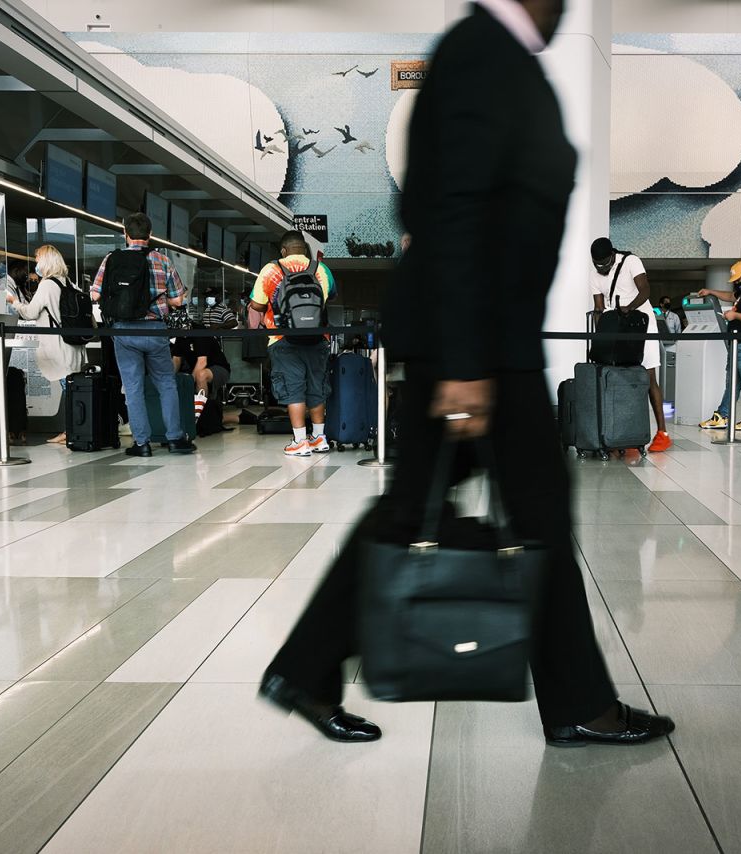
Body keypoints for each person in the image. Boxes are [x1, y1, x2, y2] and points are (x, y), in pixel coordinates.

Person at [258, 0, 675, 748]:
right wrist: (462, 366)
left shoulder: (489, 54)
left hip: (482, 343)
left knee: (437, 510)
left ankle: (307, 668)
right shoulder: (484, 51)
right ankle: (577, 703)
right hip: (479, 350)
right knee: (528, 515)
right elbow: (449, 209)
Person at [90, 212, 196, 457]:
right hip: (155, 330)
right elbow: (179, 299)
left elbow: (95, 294)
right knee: (166, 384)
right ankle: (175, 439)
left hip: (125, 331)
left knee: (133, 387)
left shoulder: (111, 259)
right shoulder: (162, 260)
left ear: (126, 234)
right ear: (150, 235)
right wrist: (162, 299)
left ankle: (142, 443)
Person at [247, 230, 333, 457]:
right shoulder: (321, 269)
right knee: (316, 386)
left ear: (283, 251)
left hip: (283, 339)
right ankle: (320, 438)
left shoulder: (271, 270)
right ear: (304, 249)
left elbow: (256, 304)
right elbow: (330, 296)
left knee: (293, 387)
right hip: (318, 338)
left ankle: (299, 441)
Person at [589, 237, 673, 452]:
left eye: (605, 264)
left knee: (648, 375)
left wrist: (629, 308)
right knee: (619, 377)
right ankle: (624, 434)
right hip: (616, 327)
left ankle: (662, 433)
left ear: (612, 256)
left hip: (640, 323)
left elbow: (645, 290)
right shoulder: (595, 274)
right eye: (597, 265)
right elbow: (599, 307)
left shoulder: (630, 261)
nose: (601, 268)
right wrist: (602, 332)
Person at [6, 245, 88, 444]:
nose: (36, 265)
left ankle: (71, 430)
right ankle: (72, 429)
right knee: (73, 388)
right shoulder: (68, 282)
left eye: (37, 260)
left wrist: (14, 301)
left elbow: (30, 313)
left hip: (58, 346)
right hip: (74, 345)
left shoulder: (47, 285)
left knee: (68, 389)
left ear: (46, 261)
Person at [696, 259, 741, 431]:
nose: (736, 282)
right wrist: (710, 291)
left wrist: (734, 317)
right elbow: (731, 297)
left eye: (738, 278)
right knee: (732, 382)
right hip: (739, 344)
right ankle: (723, 416)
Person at [168, 308, 233, 419]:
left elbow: (202, 362)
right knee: (178, 378)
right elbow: (176, 360)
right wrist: (169, 379)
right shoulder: (180, 336)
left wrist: (188, 383)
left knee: (201, 375)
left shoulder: (200, 332)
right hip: (197, 368)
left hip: (219, 368)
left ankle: (201, 414)